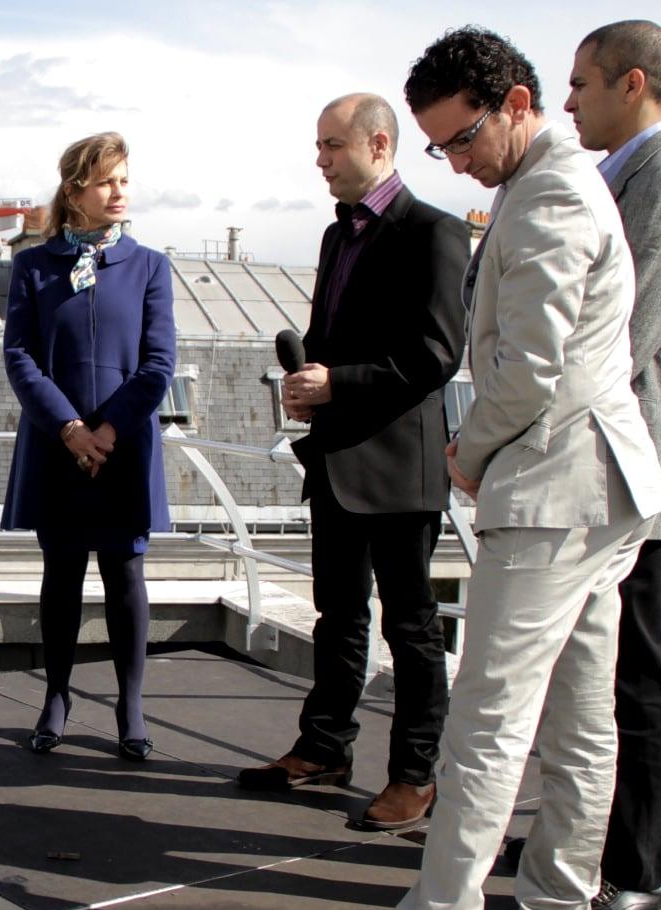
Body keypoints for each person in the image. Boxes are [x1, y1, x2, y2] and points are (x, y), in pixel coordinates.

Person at [355, 28, 661, 910]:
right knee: (580, 722)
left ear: (518, 103)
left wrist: (467, 453)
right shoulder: (558, 187)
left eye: (464, 139)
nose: (457, 162)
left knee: (487, 724)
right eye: (441, 149)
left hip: (549, 490)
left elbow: (527, 368)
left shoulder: (548, 197)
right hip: (597, 489)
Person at [238, 94, 467, 834]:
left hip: (400, 467)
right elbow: (324, 337)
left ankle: (413, 776)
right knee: (337, 614)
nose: (320, 159)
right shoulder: (338, 237)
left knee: (410, 628)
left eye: (331, 145)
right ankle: (324, 748)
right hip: (336, 455)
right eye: (318, 145)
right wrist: (310, 389)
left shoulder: (433, 232)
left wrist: (339, 383)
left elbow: (436, 356)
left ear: (377, 143)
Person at [562, 18, 661, 910]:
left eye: (581, 83)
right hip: (596, 462)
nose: (569, 99)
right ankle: (584, 842)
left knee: (634, 676)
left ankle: (642, 867)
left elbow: (626, 332)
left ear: (632, 83)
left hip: (632, 471)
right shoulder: (615, 176)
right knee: (588, 670)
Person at [1, 131, 177, 760]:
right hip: (58, 444)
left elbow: (159, 365)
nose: (119, 191)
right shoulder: (33, 265)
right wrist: (70, 427)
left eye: (125, 179)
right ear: (75, 190)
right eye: (107, 180)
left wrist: (107, 429)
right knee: (63, 572)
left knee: (125, 571)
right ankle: (56, 695)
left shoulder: (152, 265)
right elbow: (19, 356)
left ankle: (130, 706)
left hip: (124, 446)